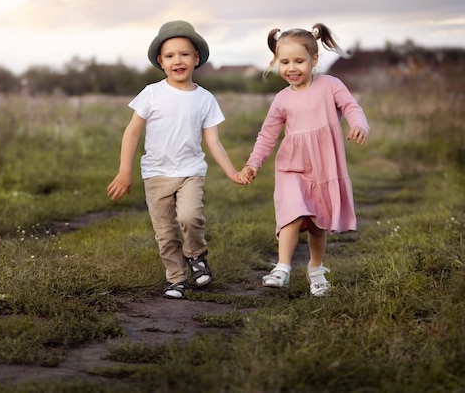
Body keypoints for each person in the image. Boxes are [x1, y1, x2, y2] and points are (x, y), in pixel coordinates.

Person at [107, 20, 245, 299]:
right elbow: (132, 132)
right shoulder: (152, 93)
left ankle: (196, 255)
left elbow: (213, 141)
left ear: (196, 59)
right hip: (156, 174)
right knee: (165, 233)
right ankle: (176, 279)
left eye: (184, 54)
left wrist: (232, 172)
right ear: (161, 61)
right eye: (170, 56)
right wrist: (125, 171)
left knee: (190, 216)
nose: (177, 61)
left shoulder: (205, 99)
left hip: (190, 171)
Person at [241, 23, 369, 296]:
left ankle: (316, 269)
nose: (292, 68)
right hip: (292, 167)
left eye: (299, 61)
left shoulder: (330, 85)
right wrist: (253, 163)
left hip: (324, 168)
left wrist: (359, 124)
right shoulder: (281, 99)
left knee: (318, 222)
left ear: (314, 60)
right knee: (292, 212)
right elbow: (267, 135)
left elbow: (351, 107)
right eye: (284, 62)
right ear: (276, 62)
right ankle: (283, 267)